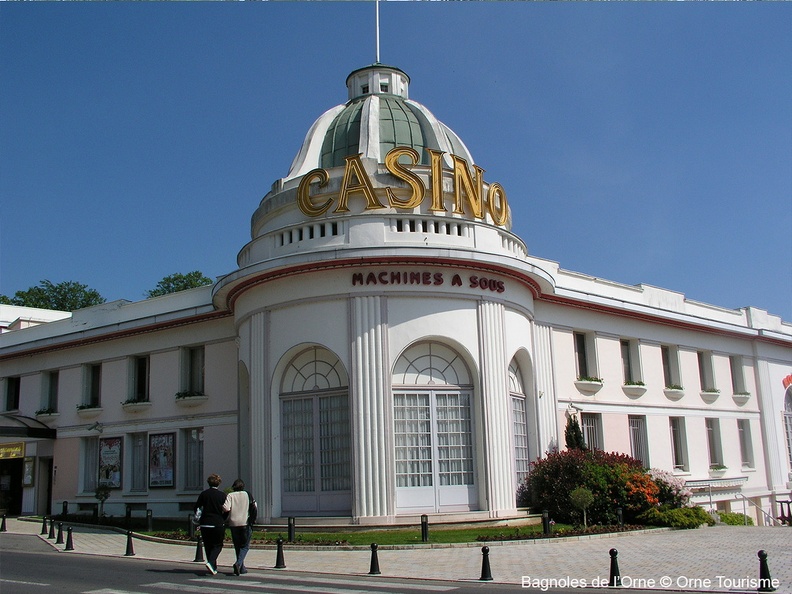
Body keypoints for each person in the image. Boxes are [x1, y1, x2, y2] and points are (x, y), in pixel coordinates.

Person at [222, 478, 257, 575]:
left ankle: (241, 567)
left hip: (233, 523)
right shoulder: (247, 494)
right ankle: (238, 563)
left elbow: (226, 508)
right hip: (245, 522)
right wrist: (252, 520)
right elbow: (254, 506)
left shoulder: (230, 495)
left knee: (237, 546)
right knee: (245, 546)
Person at [194, 473, 227, 575]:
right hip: (217, 523)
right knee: (218, 545)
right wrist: (224, 519)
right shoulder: (222, 495)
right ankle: (211, 562)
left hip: (205, 523)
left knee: (208, 545)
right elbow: (226, 510)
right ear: (219, 483)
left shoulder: (204, 494)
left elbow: (197, 507)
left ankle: (213, 567)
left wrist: (198, 518)